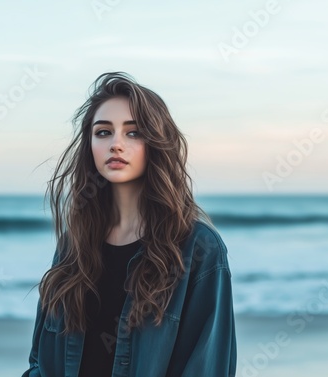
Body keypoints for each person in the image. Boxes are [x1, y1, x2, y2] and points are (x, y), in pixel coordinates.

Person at [21, 72, 237, 377]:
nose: (116, 144)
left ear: (156, 144)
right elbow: (39, 363)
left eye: (133, 133)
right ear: (90, 144)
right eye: (103, 132)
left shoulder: (198, 248)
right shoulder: (73, 246)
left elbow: (206, 368)